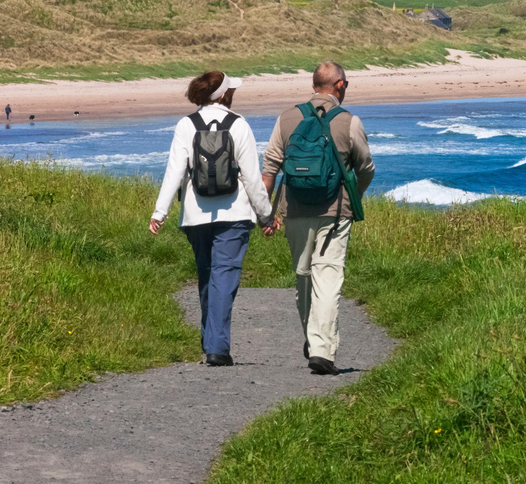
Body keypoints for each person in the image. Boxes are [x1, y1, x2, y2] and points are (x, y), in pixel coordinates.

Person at [150, 71, 274, 367]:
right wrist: (266, 215)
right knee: (224, 276)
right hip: (234, 214)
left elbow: (175, 172)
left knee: (208, 276)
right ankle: (217, 347)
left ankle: (210, 343)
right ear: (222, 95)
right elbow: (251, 177)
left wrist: (160, 212)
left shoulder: (186, 125)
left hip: (195, 215)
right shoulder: (239, 124)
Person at [262, 61, 374, 375]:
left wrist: (266, 213)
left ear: (314, 85)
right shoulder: (348, 121)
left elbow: (270, 168)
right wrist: (353, 197)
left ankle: (313, 344)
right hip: (336, 212)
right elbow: (366, 168)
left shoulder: (286, 118)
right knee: (328, 276)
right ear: (340, 86)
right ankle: (322, 349)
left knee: (303, 276)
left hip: (294, 210)